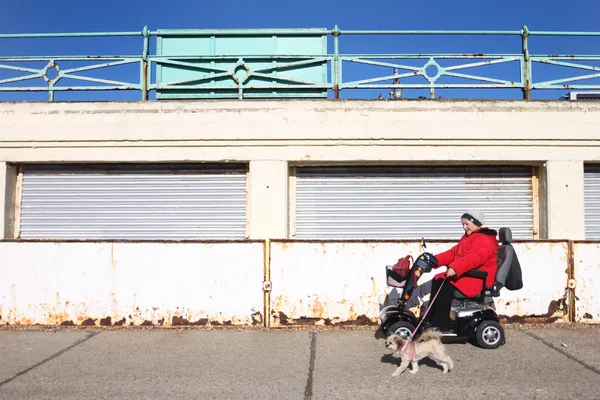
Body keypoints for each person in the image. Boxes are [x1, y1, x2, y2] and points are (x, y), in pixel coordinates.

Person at [423, 210, 499, 331]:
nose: (464, 227)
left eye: (466, 224)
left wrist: (455, 268)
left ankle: (441, 325)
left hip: (478, 278)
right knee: (438, 279)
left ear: (476, 223)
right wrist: (434, 261)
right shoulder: (469, 237)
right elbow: (453, 253)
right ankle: (432, 320)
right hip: (470, 275)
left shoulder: (484, 239)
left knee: (445, 286)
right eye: (463, 224)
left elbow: (475, 257)